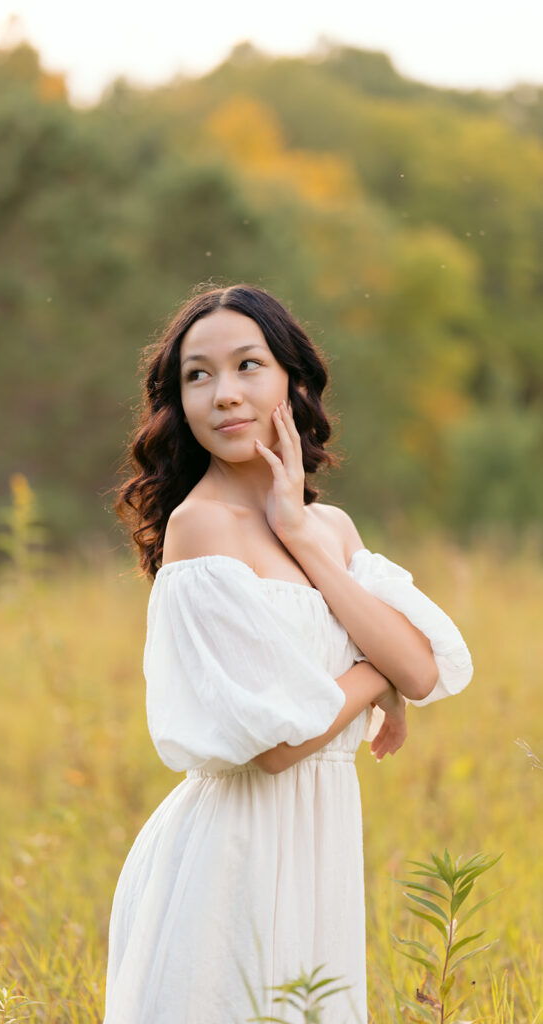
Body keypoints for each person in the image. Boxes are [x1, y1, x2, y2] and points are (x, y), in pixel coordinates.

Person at [106, 284, 473, 1024]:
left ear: (292, 383)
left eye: (248, 365)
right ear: (178, 403)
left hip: (318, 848)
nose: (224, 394)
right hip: (232, 856)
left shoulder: (328, 528)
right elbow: (275, 744)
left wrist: (301, 535)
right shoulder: (198, 530)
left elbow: (426, 668)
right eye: (198, 376)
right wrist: (373, 676)